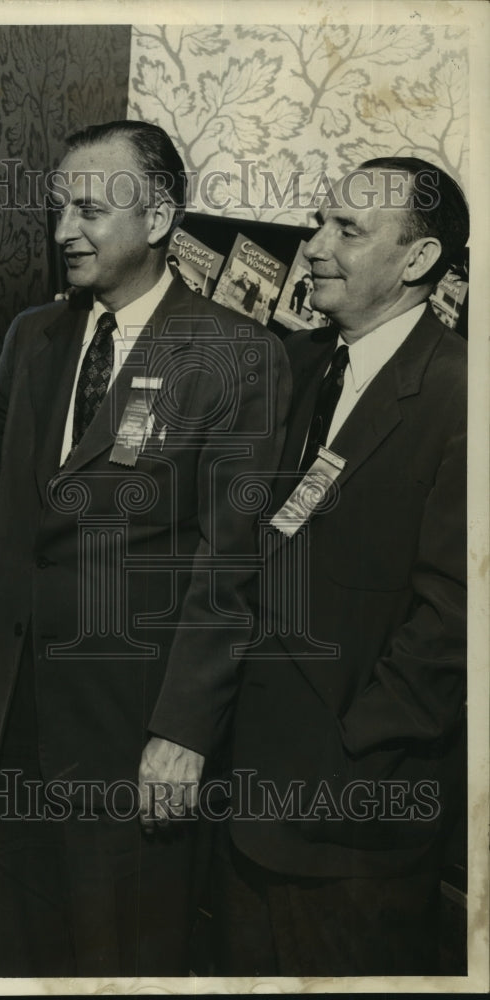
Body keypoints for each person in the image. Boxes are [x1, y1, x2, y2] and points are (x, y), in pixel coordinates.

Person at [0, 119, 290, 977]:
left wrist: (183, 732)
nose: (62, 233)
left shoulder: (238, 356)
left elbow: (229, 568)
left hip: (131, 741)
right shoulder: (34, 337)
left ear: (159, 218)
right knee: (20, 956)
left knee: (120, 960)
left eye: (89, 210)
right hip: (10, 722)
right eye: (59, 209)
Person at [212, 156, 469, 976]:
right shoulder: (297, 363)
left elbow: (454, 623)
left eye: (347, 231)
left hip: (352, 828)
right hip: (240, 800)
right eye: (319, 220)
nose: (313, 244)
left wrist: (347, 748)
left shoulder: (463, 397)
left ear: (418, 261)